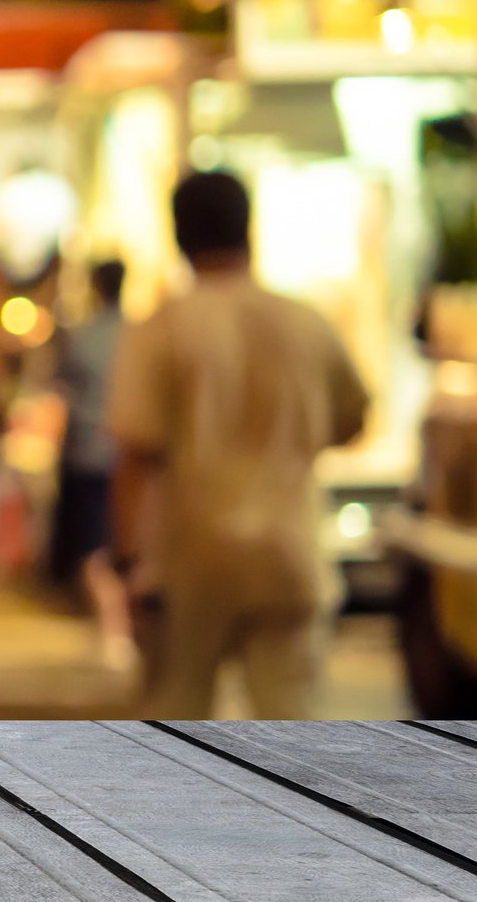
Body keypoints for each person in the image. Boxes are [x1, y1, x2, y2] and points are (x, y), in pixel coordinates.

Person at [108, 170, 369, 720]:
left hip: (190, 559)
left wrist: (129, 561)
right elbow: (354, 419)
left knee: (174, 732)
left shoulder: (164, 327)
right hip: (289, 551)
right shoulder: (305, 323)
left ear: (178, 236)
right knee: (293, 730)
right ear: (248, 230)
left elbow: (138, 453)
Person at [50, 259, 134, 669]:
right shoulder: (139, 334)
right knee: (125, 541)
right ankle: (121, 628)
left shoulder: (82, 337)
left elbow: (59, 385)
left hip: (88, 452)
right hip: (131, 455)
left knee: (93, 547)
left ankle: (112, 629)